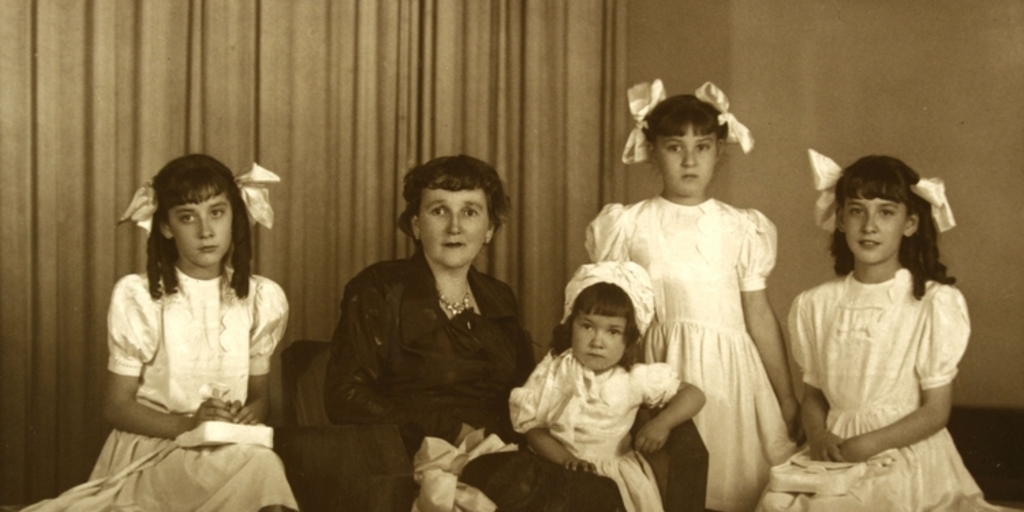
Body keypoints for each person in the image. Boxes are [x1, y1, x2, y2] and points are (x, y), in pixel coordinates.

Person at [22, 154, 297, 511]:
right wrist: (190, 423)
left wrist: (249, 415)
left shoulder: (261, 298)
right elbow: (116, 407)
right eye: (187, 217)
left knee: (257, 462)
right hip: (155, 451)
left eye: (216, 212)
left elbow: (261, 399)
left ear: (234, 217)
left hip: (229, 448)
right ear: (165, 226)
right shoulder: (141, 296)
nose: (205, 231)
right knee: (260, 466)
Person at [586, 79, 800, 511]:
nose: (689, 160)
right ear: (652, 151)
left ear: (719, 152)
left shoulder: (741, 227)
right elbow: (608, 318)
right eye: (674, 147)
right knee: (671, 488)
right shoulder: (629, 226)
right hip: (663, 373)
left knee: (737, 487)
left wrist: (787, 396)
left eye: (702, 147)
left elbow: (758, 314)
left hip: (734, 380)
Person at [756, 150, 1011, 511]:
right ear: (840, 218)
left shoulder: (932, 303)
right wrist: (818, 434)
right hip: (836, 449)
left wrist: (867, 445)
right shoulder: (815, 304)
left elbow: (935, 411)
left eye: (886, 212)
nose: (869, 225)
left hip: (903, 452)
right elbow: (813, 395)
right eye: (858, 210)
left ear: (910, 223)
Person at [322, 154, 536, 453]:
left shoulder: (499, 297)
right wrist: (448, 430)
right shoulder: (379, 288)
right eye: (439, 211)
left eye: (470, 212)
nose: (455, 227)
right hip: (408, 460)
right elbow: (344, 396)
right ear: (416, 225)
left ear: (489, 229)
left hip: (497, 455)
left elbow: (526, 394)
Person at [466, 261, 706, 512]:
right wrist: (566, 459)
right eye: (588, 326)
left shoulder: (634, 378)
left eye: (613, 331)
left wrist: (662, 423)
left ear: (629, 339)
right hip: (556, 465)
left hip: (613, 475)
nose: (597, 341)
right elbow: (533, 428)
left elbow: (694, 395)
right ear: (571, 326)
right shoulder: (555, 370)